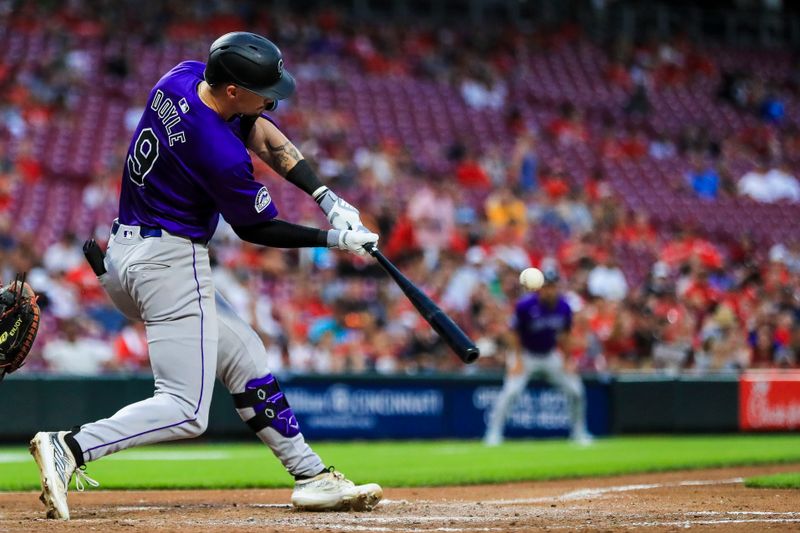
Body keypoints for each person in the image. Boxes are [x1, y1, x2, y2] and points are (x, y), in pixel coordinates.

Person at [29, 32, 382, 520]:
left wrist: (326, 196)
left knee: (245, 354)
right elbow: (257, 227)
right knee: (186, 409)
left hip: (127, 252)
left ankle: (311, 475)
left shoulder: (183, 77)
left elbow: (258, 129)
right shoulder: (217, 149)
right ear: (233, 89)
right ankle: (70, 446)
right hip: (170, 263)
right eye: (263, 90)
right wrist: (335, 241)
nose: (272, 99)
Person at [483, 269, 592, 446]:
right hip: (525, 354)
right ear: (540, 288)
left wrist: (567, 361)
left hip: (550, 354)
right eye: (546, 286)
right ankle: (493, 434)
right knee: (511, 392)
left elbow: (565, 337)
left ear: (557, 287)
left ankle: (579, 433)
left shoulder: (564, 306)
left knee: (576, 391)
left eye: (552, 286)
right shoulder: (525, 305)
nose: (549, 290)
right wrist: (517, 360)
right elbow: (512, 335)